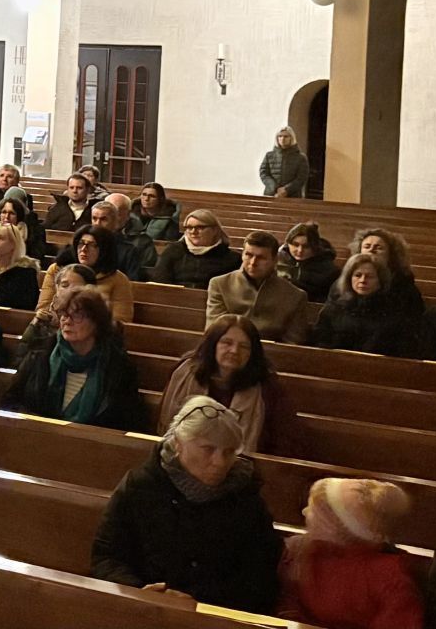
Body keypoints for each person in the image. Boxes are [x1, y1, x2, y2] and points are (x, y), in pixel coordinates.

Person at [90, 395, 281, 612]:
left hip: (214, 616)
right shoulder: (141, 486)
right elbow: (107, 556)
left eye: (229, 452)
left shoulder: (245, 498)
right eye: (208, 449)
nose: (219, 462)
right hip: (142, 610)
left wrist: (199, 601)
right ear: (178, 444)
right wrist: (139, 591)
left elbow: (261, 573)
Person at [277, 477, 424, 629]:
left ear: (334, 527)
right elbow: (288, 601)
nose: (304, 512)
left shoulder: (390, 578)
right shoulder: (303, 550)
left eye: (315, 512)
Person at [157, 315, 297, 457]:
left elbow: (283, 442)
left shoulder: (268, 388)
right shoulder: (184, 372)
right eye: (227, 343)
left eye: (244, 346)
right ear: (213, 345)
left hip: (243, 465)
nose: (234, 351)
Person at [8, 286, 146, 430]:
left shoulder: (118, 368)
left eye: (77, 316)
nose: (67, 321)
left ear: (97, 322)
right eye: (64, 314)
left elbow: (129, 421)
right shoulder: (39, 354)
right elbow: (10, 402)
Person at [308, 253, 425, 358]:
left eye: (369, 276)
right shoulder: (334, 308)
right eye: (357, 275)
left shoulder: (394, 311)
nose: (363, 280)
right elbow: (320, 343)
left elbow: (402, 351)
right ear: (349, 278)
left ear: (380, 281)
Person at [207, 231, 311, 343]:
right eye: (248, 255)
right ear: (242, 255)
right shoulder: (220, 284)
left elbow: (292, 342)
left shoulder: (295, 296)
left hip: (273, 352)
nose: (253, 263)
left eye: (261, 258)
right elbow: (215, 331)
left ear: (275, 260)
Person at [39, 225, 136, 324]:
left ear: (104, 250)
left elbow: (120, 322)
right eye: (81, 244)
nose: (84, 249)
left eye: (92, 245)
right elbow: (43, 309)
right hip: (56, 326)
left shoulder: (118, 279)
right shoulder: (57, 269)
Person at [154, 209, 241, 288]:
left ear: (214, 230)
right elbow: (160, 280)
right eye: (189, 227)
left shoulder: (233, 259)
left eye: (200, 227)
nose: (193, 232)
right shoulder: (173, 250)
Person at [278, 222, 340, 303]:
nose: (300, 250)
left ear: (314, 246)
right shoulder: (278, 260)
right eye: (295, 245)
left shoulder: (330, 271)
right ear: (288, 244)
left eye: (306, 246)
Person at [260, 126, 310, 197]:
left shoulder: (301, 158)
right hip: (272, 194)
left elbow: (301, 178)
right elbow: (264, 173)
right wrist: (274, 187)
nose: (282, 139)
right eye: (280, 136)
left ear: (291, 138)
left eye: (286, 136)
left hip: (292, 196)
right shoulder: (269, 156)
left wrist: (286, 189)